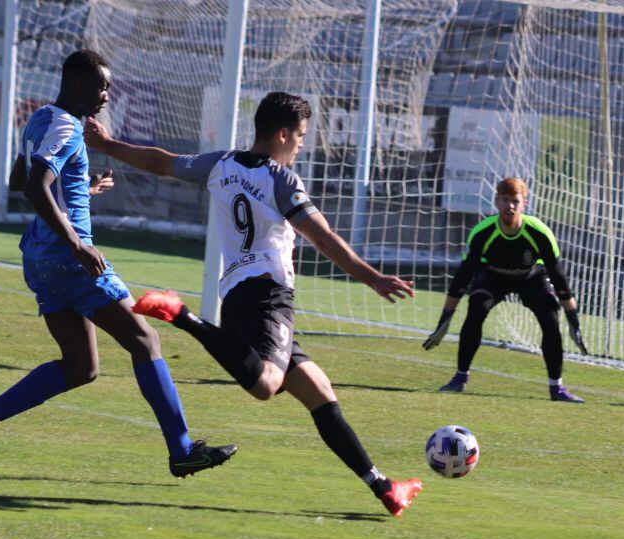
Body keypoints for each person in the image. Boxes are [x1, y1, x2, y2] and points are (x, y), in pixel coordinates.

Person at [83, 91, 423, 517]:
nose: (301, 143)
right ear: (281, 134)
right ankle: (182, 314)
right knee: (265, 384)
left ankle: (385, 488)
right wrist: (371, 277)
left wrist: (106, 145)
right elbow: (323, 236)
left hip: (242, 296)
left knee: (319, 390)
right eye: (299, 135)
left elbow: (161, 161)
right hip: (268, 297)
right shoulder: (282, 180)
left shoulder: (219, 164)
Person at [0, 50, 237, 478]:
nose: (107, 94)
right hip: (66, 258)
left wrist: (80, 189)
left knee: (81, 366)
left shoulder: (40, 118)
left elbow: (20, 179)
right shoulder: (67, 128)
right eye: (102, 85)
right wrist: (77, 244)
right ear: (75, 84)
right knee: (144, 341)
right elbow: (33, 186)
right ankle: (182, 450)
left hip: (39, 258)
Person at [422, 177, 587, 403]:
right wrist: (445, 319)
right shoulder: (482, 232)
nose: (510, 205)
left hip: (530, 277)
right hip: (492, 277)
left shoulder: (539, 233)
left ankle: (556, 388)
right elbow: (462, 277)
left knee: (550, 315)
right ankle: (459, 379)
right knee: (476, 308)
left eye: (515, 201)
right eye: (505, 200)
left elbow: (560, 280)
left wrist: (573, 321)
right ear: (497, 202)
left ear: (524, 204)